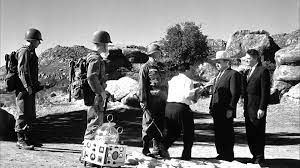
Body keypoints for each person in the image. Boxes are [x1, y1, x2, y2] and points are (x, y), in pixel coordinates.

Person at [163, 62, 199, 160]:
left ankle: (163, 147)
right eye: (191, 70)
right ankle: (186, 155)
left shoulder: (172, 79)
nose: (191, 72)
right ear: (187, 70)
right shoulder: (188, 80)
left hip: (169, 106)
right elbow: (188, 95)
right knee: (188, 132)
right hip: (181, 107)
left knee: (172, 131)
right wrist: (196, 92)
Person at [209, 51, 241, 161]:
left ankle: (228, 154)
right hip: (216, 109)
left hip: (226, 110)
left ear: (227, 62)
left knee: (227, 132)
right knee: (218, 132)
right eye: (216, 62)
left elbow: (235, 94)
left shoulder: (233, 74)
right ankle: (221, 153)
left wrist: (231, 108)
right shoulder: (218, 75)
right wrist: (210, 107)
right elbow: (214, 93)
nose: (216, 64)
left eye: (219, 61)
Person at [138, 43, 169, 158]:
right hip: (150, 102)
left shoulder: (162, 67)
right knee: (148, 125)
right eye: (157, 53)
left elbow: (166, 84)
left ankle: (157, 149)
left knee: (160, 124)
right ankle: (146, 149)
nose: (159, 55)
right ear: (152, 54)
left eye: (159, 53)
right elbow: (141, 85)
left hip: (162, 101)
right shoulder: (145, 67)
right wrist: (143, 100)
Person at [15, 28, 43, 150]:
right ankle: (20, 140)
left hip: (29, 88)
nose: (39, 43)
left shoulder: (31, 51)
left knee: (30, 114)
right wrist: (27, 87)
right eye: (38, 40)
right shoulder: (24, 51)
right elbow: (22, 71)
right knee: (22, 114)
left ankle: (28, 138)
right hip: (23, 89)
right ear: (32, 40)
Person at [242, 49, 270, 164]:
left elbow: (265, 92)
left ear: (255, 58)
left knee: (258, 133)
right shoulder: (247, 72)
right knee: (250, 133)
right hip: (248, 108)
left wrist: (262, 108)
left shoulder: (263, 71)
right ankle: (254, 155)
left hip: (257, 108)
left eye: (248, 58)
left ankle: (259, 157)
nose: (246, 60)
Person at [83, 30, 111, 141]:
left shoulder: (94, 57)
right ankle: (88, 153)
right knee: (94, 123)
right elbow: (91, 77)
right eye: (107, 44)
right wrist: (101, 92)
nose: (107, 47)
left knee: (95, 123)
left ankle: (89, 153)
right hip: (95, 96)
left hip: (94, 95)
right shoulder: (95, 58)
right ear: (102, 44)